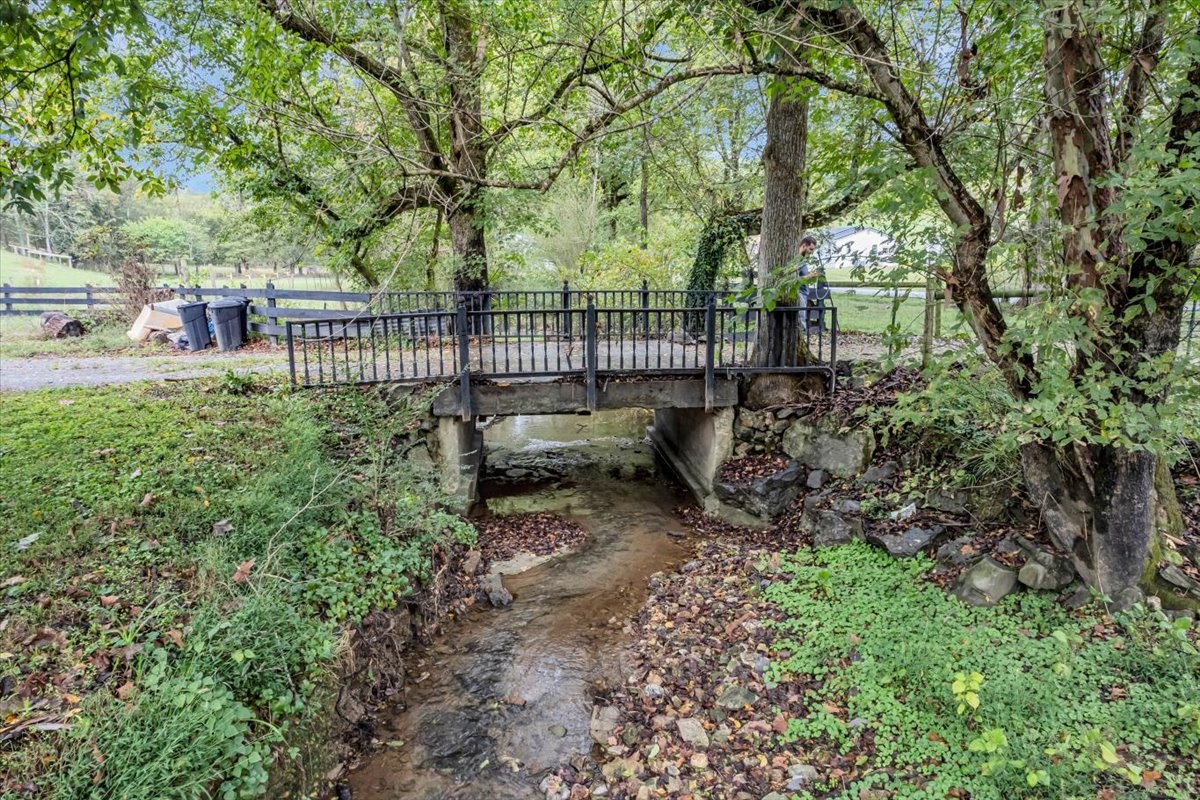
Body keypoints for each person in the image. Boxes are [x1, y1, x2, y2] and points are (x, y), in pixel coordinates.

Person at [796, 234, 828, 332]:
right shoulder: (797, 260)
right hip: (799, 292)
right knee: (801, 318)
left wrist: (811, 275)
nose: (812, 252)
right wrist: (809, 276)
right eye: (810, 249)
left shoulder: (803, 260)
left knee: (803, 316)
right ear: (804, 246)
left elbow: (803, 276)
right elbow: (795, 279)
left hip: (804, 293)